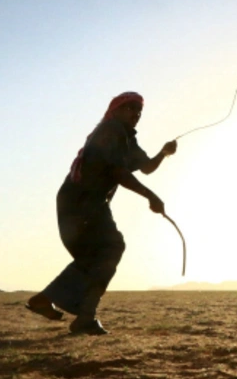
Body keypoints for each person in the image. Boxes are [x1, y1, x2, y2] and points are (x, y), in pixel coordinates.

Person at [25, 92, 178, 335]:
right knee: (111, 248)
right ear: (115, 109)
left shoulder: (125, 137)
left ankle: (61, 305)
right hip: (82, 201)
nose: (136, 114)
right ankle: (82, 315)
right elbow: (119, 173)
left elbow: (146, 167)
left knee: (96, 257)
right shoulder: (110, 131)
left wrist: (164, 153)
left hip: (81, 202)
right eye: (130, 108)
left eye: (139, 111)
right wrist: (151, 196)